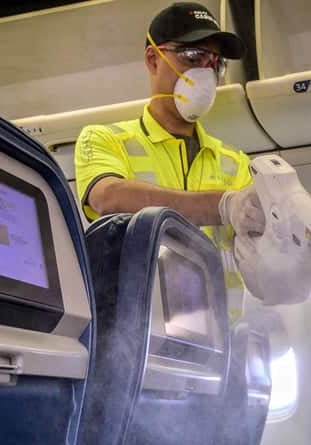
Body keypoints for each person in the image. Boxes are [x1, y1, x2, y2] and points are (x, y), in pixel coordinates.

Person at [74, 2, 266, 321]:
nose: (206, 72)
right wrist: (222, 206)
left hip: (223, 351)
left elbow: (261, 257)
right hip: (141, 343)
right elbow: (108, 197)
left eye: (215, 63)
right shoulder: (104, 139)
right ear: (153, 59)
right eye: (193, 57)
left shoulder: (236, 163)